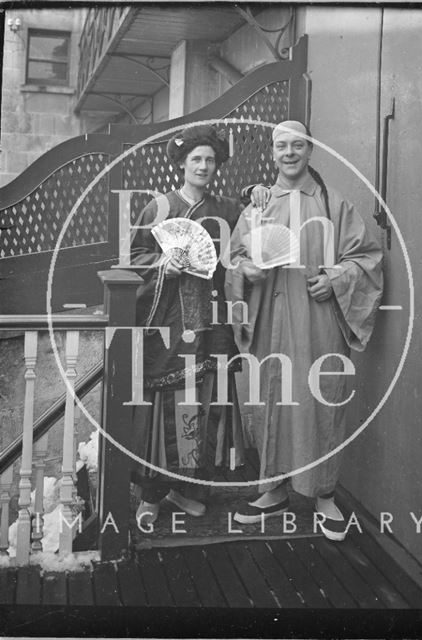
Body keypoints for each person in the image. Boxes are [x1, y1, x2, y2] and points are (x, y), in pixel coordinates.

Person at [226, 120, 383, 540]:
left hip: (317, 326)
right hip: (268, 325)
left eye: (298, 145)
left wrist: (335, 279)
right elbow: (235, 258)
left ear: (310, 149)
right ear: (272, 152)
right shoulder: (257, 206)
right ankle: (273, 490)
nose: (289, 153)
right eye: (282, 146)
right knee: (269, 400)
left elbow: (366, 258)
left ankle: (323, 493)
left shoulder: (334, 204)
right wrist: (248, 271)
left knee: (319, 402)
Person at [130, 124, 244, 524]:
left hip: (213, 322)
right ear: (181, 164)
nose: (204, 165)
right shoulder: (158, 210)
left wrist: (256, 194)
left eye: (210, 159)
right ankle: (152, 494)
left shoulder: (229, 210)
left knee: (205, 403)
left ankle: (186, 487)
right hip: (171, 324)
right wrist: (163, 264)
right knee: (168, 405)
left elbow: (246, 248)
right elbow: (135, 259)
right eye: (196, 158)